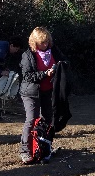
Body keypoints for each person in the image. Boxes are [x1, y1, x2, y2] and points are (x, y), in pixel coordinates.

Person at [18, 27, 66, 164]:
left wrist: (61, 66)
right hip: (31, 92)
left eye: (47, 42)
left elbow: (64, 61)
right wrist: (45, 74)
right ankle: (25, 150)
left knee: (47, 119)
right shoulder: (28, 55)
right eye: (42, 43)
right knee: (32, 119)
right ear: (35, 42)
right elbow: (27, 76)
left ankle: (44, 146)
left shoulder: (53, 50)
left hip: (48, 91)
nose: (45, 45)